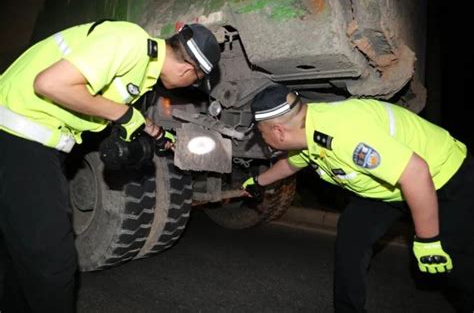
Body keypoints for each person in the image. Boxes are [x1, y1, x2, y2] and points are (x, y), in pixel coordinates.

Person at [0, 19, 220, 312]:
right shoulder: (128, 40)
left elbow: (103, 105)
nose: (190, 85)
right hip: (17, 137)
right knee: (53, 262)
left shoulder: (142, 66)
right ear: (188, 70)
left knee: (24, 254)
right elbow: (49, 83)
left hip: (26, 142)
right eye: (195, 81)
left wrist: (154, 132)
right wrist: (125, 114)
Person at [242, 83, 474, 312]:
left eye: (261, 134)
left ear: (278, 131)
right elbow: (291, 164)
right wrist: (258, 182)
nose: (262, 140)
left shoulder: (344, 133)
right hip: (388, 188)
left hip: (443, 179)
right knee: (352, 235)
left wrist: (427, 241)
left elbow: (416, 174)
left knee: (452, 262)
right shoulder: (308, 129)